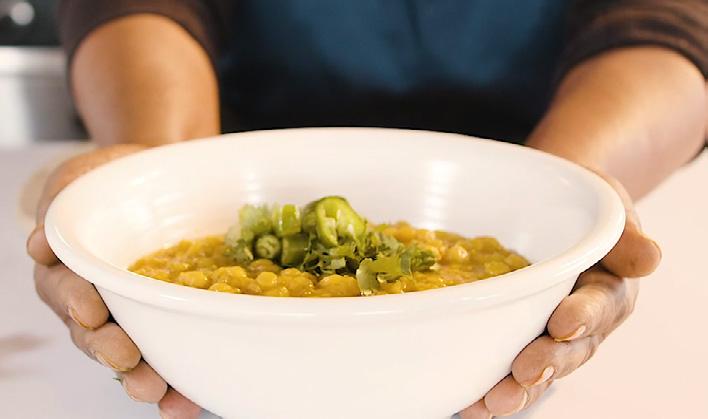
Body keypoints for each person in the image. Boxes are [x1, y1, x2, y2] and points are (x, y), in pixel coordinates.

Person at [27, 1, 705, 418]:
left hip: (552, 131)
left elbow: (670, 16)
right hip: (229, 150)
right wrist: (160, 170)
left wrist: (564, 189)